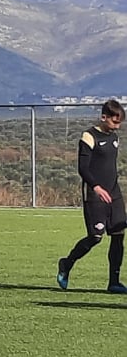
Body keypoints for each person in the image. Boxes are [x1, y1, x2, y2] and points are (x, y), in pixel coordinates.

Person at [57, 99, 126, 293]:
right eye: (114, 122)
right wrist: (96, 187)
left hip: (114, 193)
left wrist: (111, 189)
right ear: (104, 117)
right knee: (95, 237)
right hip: (94, 194)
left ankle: (114, 282)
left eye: (120, 123)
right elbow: (83, 168)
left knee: (118, 235)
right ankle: (66, 263)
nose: (117, 126)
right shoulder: (89, 136)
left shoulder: (114, 137)